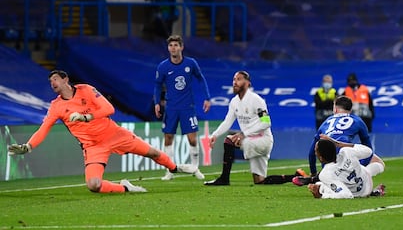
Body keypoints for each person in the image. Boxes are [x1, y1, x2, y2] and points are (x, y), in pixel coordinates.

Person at [7, 70, 198, 193]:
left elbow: (109, 109)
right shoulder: (56, 106)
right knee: (94, 185)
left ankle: (175, 168)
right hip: (93, 147)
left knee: (153, 153)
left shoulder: (86, 90)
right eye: (50, 82)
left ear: (65, 79)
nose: (53, 83)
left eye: (55, 79)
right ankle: (126, 188)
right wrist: (28, 146)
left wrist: (85, 117)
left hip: (114, 134)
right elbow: (44, 129)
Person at [204, 70, 306, 186]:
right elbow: (227, 121)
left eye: (239, 79)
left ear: (247, 83)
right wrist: (215, 135)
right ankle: (296, 177)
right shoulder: (234, 102)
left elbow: (266, 123)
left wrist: (244, 134)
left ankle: (224, 179)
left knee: (229, 141)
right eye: (234, 80)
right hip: (251, 140)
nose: (235, 82)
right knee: (260, 181)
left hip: (263, 140)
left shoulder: (256, 100)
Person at [154, 35, 211, 181]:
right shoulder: (163, 66)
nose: (173, 48)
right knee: (168, 138)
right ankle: (170, 171)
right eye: (171, 45)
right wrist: (156, 102)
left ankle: (195, 168)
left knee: (192, 139)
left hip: (187, 107)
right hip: (171, 107)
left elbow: (201, 78)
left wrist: (207, 98)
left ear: (181, 47)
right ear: (168, 48)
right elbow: (158, 85)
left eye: (176, 45)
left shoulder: (190, 63)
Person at [293, 95, 382, 186]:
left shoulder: (326, 122)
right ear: (350, 110)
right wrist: (361, 167)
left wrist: (313, 172)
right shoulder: (357, 121)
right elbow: (368, 149)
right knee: (378, 161)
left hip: (328, 163)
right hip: (346, 156)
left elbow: (311, 153)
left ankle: (318, 179)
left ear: (335, 109)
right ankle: (360, 177)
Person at [307, 135, 385, 199]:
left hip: (360, 194)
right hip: (366, 180)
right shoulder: (346, 152)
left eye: (315, 151)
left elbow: (347, 195)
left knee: (323, 185)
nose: (315, 153)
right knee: (378, 162)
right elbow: (369, 151)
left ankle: (317, 184)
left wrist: (321, 196)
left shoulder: (325, 174)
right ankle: (316, 183)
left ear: (320, 158)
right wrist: (338, 143)